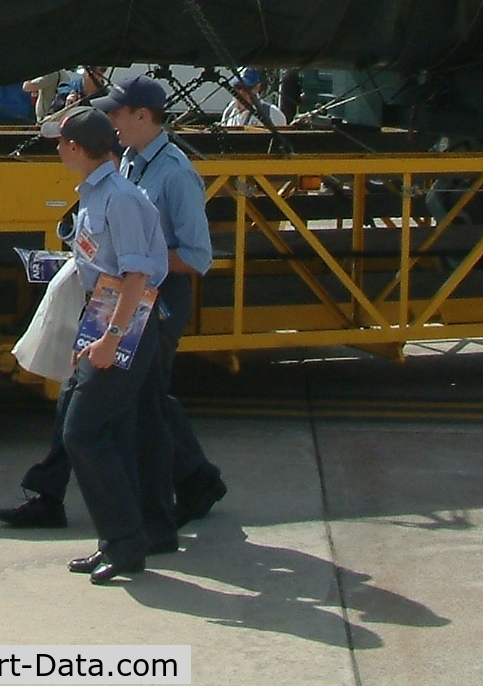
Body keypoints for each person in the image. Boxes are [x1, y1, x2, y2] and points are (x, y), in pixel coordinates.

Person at [44, 106, 172, 583]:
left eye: (61, 143)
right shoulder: (96, 194)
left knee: (83, 432)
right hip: (105, 319)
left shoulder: (119, 199)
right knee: (110, 434)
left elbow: (136, 276)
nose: (57, 149)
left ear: (76, 149)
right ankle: (116, 542)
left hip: (128, 326)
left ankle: (126, 541)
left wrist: (109, 341)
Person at [98, 75, 227, 524]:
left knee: (146, 398)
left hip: (162, 296)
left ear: (143, 116)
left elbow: (197, 256)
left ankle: (193, 482)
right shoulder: (131, 161)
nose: (110, 121)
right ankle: (195, 481)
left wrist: (141, 259)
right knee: (145, 397)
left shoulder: (175, 173)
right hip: (136, 291)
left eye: (117, 113)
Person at [220, 69, 288, 128]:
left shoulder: (273, 114)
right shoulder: (228, 112)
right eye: (237, 87)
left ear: (257, 88)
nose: (241, 92)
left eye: (246, 87)